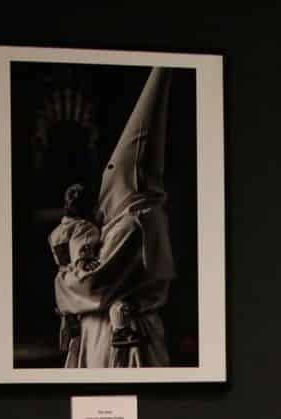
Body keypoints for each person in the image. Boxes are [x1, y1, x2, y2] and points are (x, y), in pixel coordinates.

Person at [53, 67, 176, 368]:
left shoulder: (135, 222)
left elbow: (92, 286)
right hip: (103, 335)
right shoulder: (132, 218)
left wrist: (62, 279)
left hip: (119, 342)